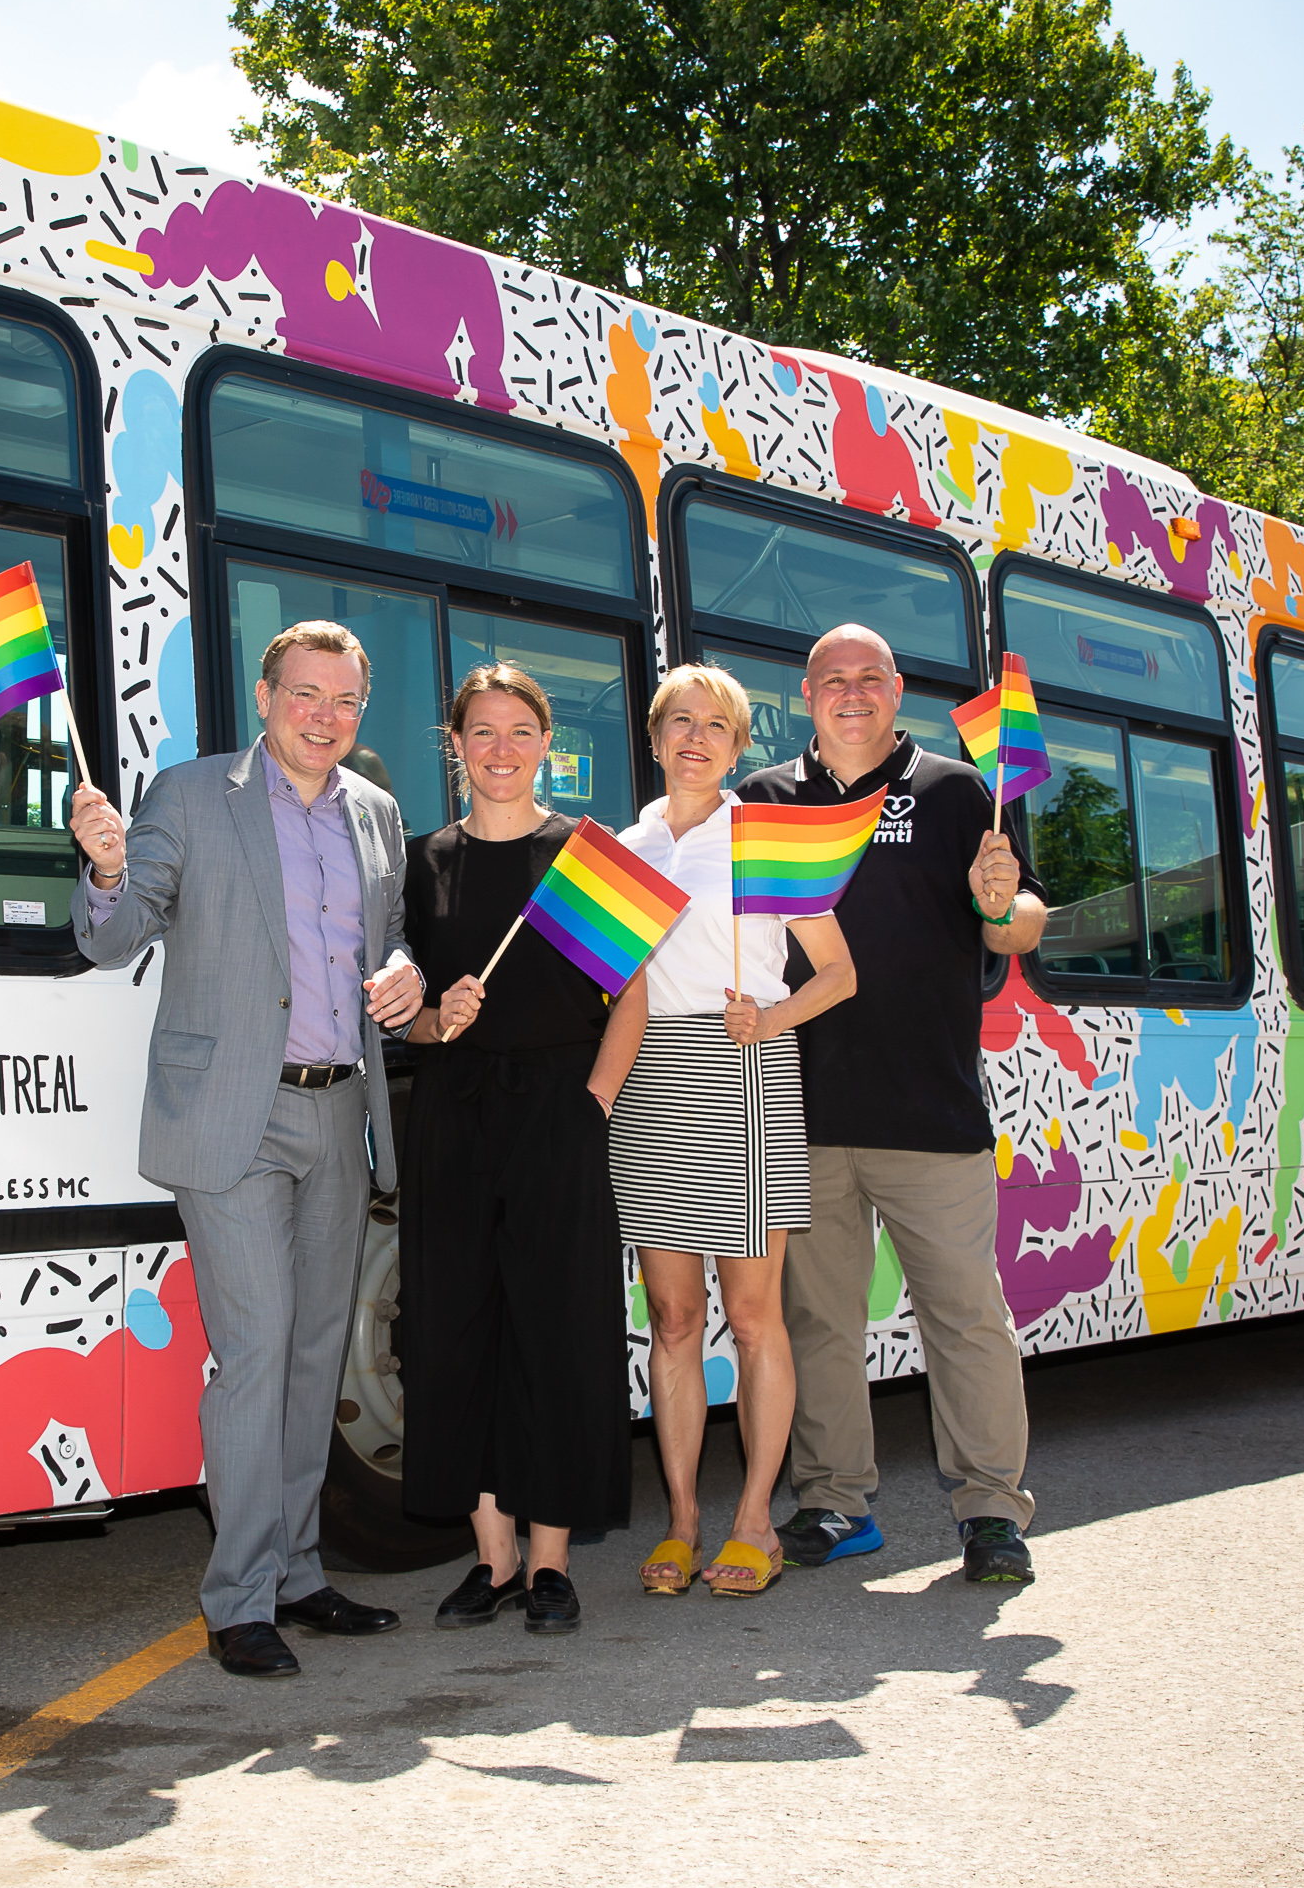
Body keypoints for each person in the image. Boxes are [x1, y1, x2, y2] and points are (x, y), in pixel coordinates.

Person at [70, 623, 424, 1678]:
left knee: (317, 1358)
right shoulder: (186, 796)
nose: (325, 716)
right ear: (264, 695)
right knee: (258, 1351)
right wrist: (101, 869)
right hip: (230, 1115)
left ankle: (300, 1572)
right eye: (306, 694)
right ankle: (237, 1599)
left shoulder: (376, 812)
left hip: (339, 1111)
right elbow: (112, 935)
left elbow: (389, 931)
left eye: (346, 699)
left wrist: (401, 974)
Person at [739, 624, 1051, 1587]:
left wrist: (1001, 901)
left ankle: (992, 1511)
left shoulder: (960, 791)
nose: (852, 692)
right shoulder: (764, 799)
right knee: (820, 1320)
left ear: (898, 690)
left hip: (933, 1114)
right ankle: (835, 1501)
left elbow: (1024, 920)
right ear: (805, 693)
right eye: (834, 678)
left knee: (964, 1315)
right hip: (801, 1111)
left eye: (870, 677)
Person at [398, 665, 643, 1636]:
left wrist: (592, 1101)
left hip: (558, 1108)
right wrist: (429, 1017)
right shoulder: (421, 863)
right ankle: (489, 1557)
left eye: (517, 731)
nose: (498, 748)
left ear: (545, 745)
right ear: (453, 746)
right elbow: (395, 1007)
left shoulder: (583, 856)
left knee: (556, 1330)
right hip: (451, 1111)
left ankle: (548, 1561)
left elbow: (629, 998)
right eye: (480, 732)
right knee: (453, 1331)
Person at [607, 664, 854, 1599]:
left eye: (717, 725)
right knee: (672, 1319)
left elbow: (839, 975)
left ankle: (756, 1520)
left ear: (740, 745)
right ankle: (681, 1521)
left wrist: (772, 1016)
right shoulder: (625, 844)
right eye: (680, 721)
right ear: (656, 733)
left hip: (744, 1066)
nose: (696, 738)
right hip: (653, 1078)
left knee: (751, 1318)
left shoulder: (769, 840)